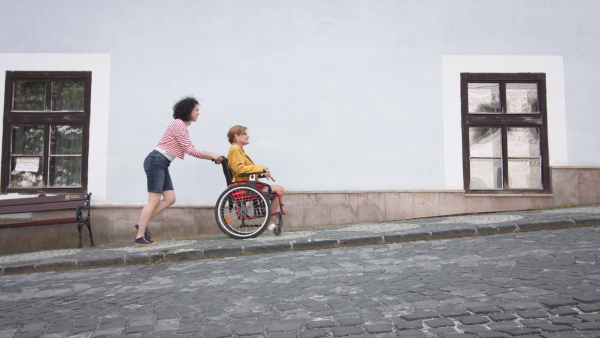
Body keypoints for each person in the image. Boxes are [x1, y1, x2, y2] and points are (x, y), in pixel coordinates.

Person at [134, 97, 223, 247]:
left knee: (170, 199)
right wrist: (212, 155)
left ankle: (141, 224)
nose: (198, 113)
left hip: (162, 163)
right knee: (154, 199)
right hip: (156, 161)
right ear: (188, 110)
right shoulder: (178, 124)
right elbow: (190, 150)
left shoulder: (182, 127)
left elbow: (189, 148)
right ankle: (140, 237)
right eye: (196, 110)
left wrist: (211, 156)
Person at [226, 125, 284, 232]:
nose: (248, 136)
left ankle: (269, 222)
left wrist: (261, 174)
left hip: (246, 184)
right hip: (243, 187)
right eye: (245, 134)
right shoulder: (235, 149)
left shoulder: (239, 150)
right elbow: (240, 169)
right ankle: (269, 223)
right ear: (236, 136)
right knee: (279, 190)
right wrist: (260, 167)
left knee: (278, 190)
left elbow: (245, 170)